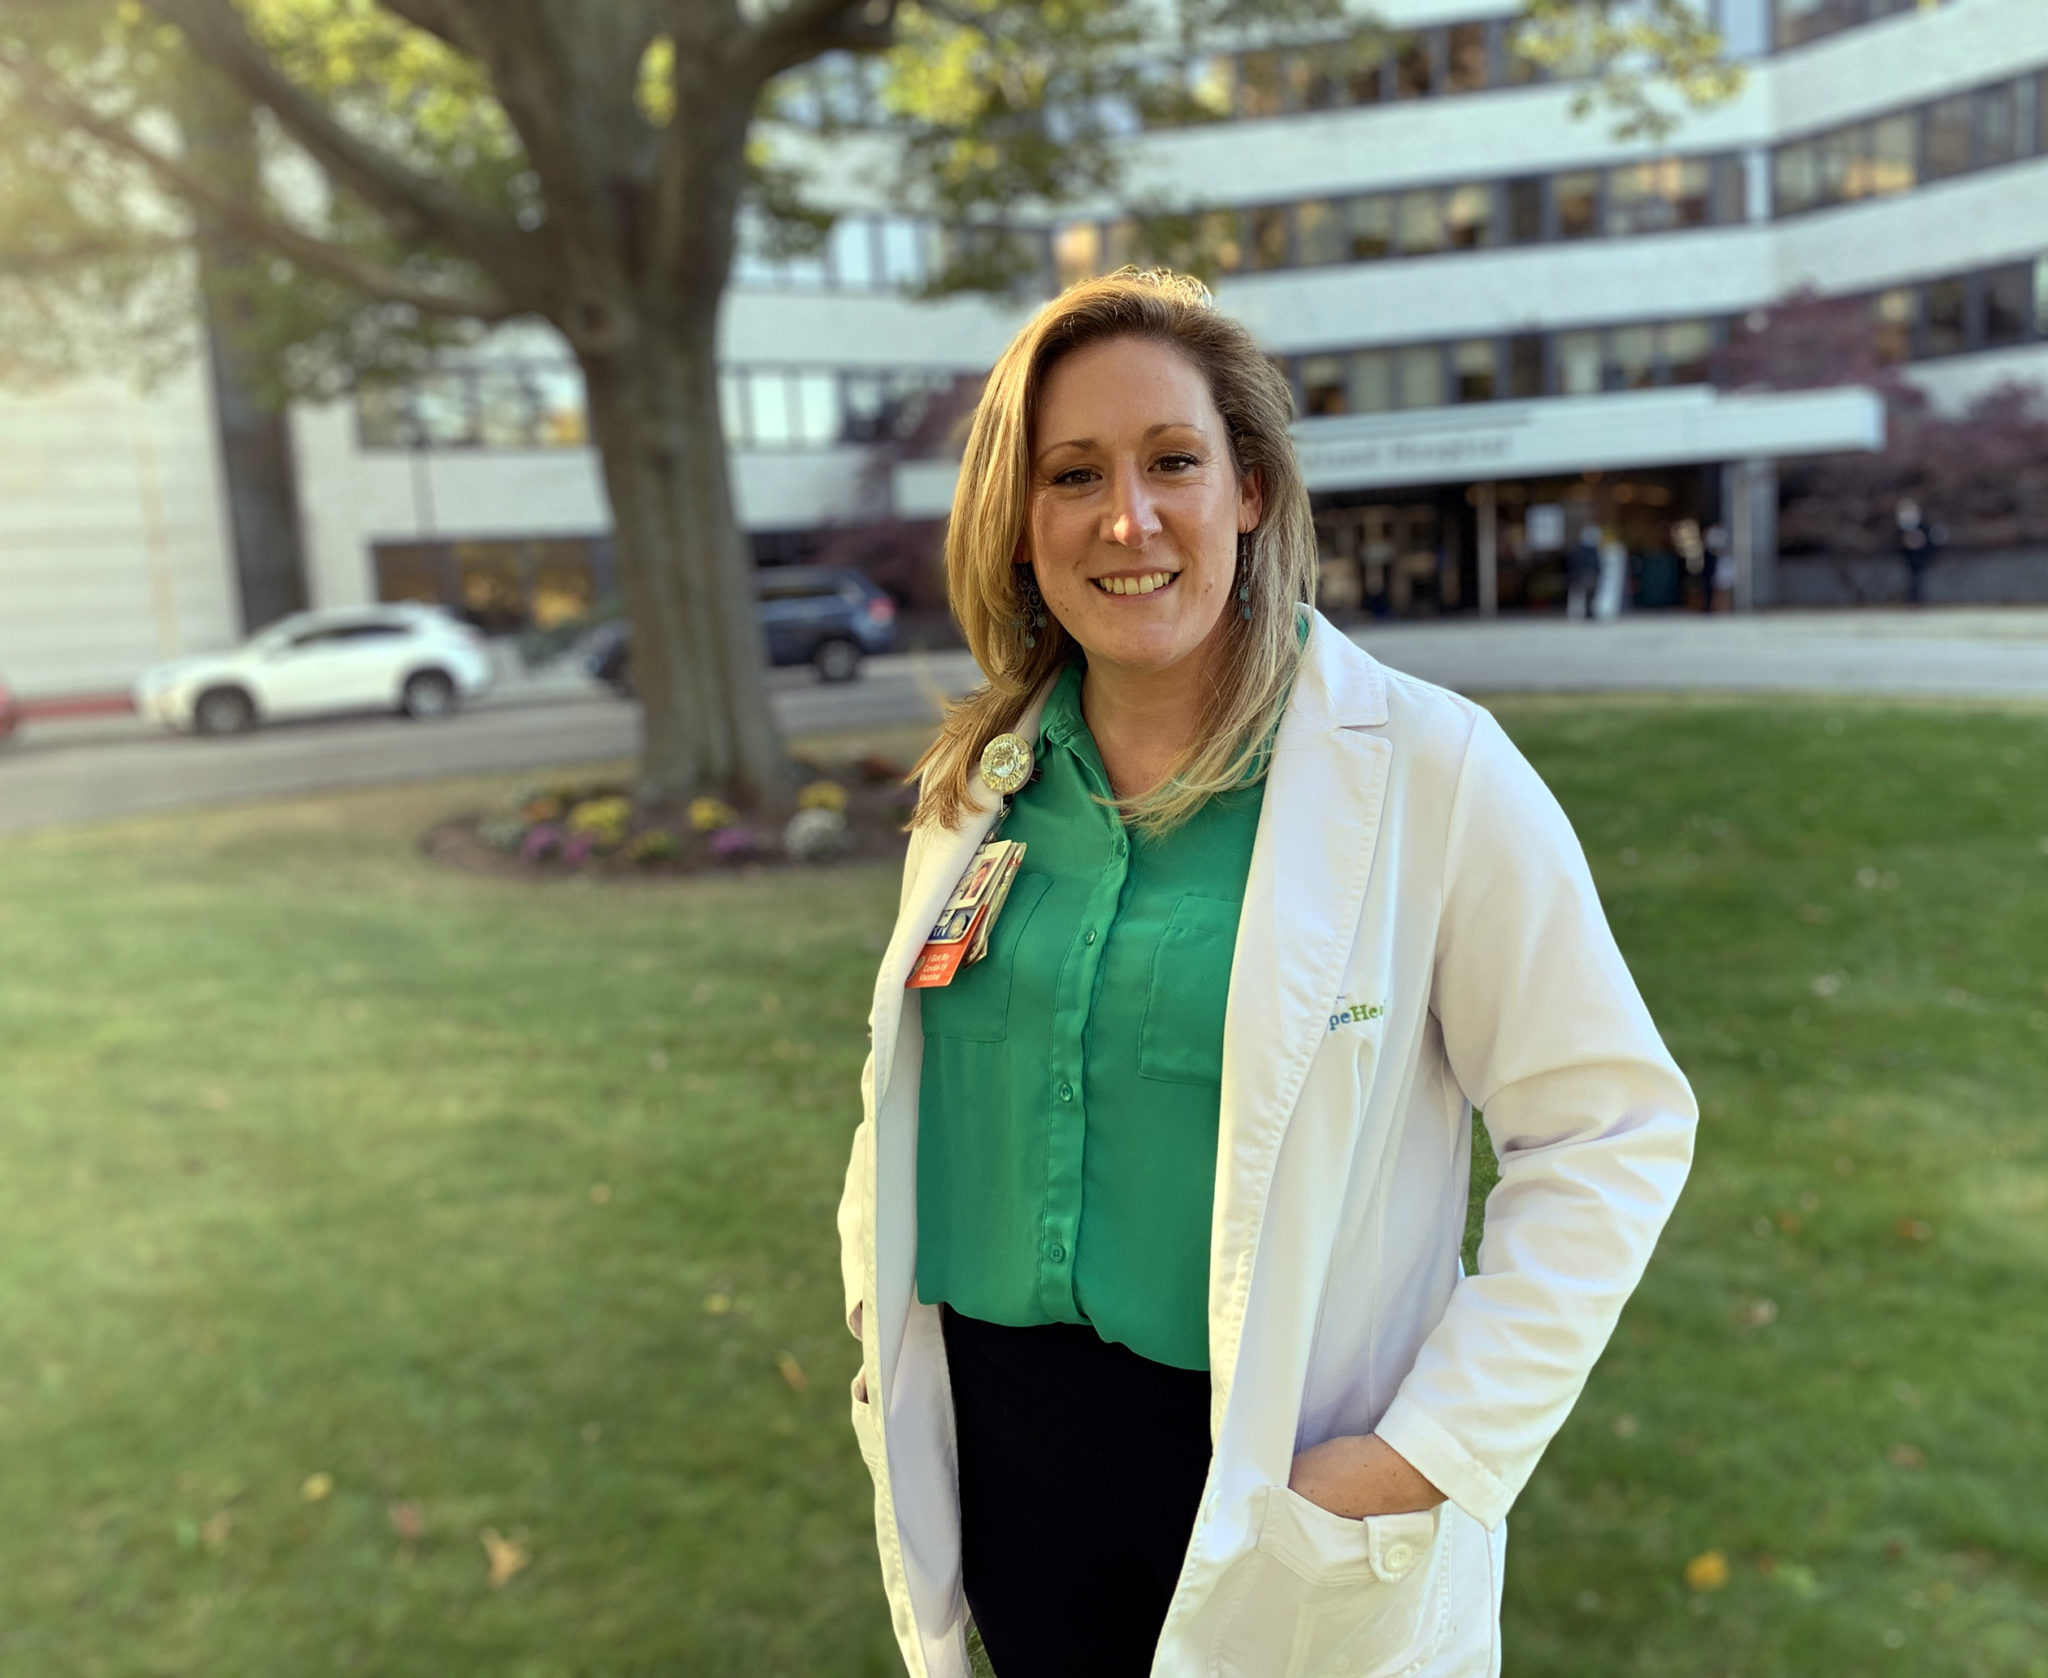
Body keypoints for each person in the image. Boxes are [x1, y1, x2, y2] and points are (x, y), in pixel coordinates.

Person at [837, 270, 1696, 1678]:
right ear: (1019, 519)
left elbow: (1608, 1128)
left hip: (1279, 1493)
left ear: (1249, 489)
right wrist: (874, 1289)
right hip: (1002, 1476)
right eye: (1074, 474)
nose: (1130, 518)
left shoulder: (1427, 769)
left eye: (1172, 460)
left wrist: (1427, 1451)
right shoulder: (978, 788)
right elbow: (906, 1086)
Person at [1565, 523, 1601, 618]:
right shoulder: (1580, 549)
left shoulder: (1593, 549)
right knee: (1585, 593)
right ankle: (1585, 612)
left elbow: (1597, 562)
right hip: (1585, 574)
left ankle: (1589, 611)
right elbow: (1576, 562)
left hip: (1592, 573)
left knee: (1592, 593)